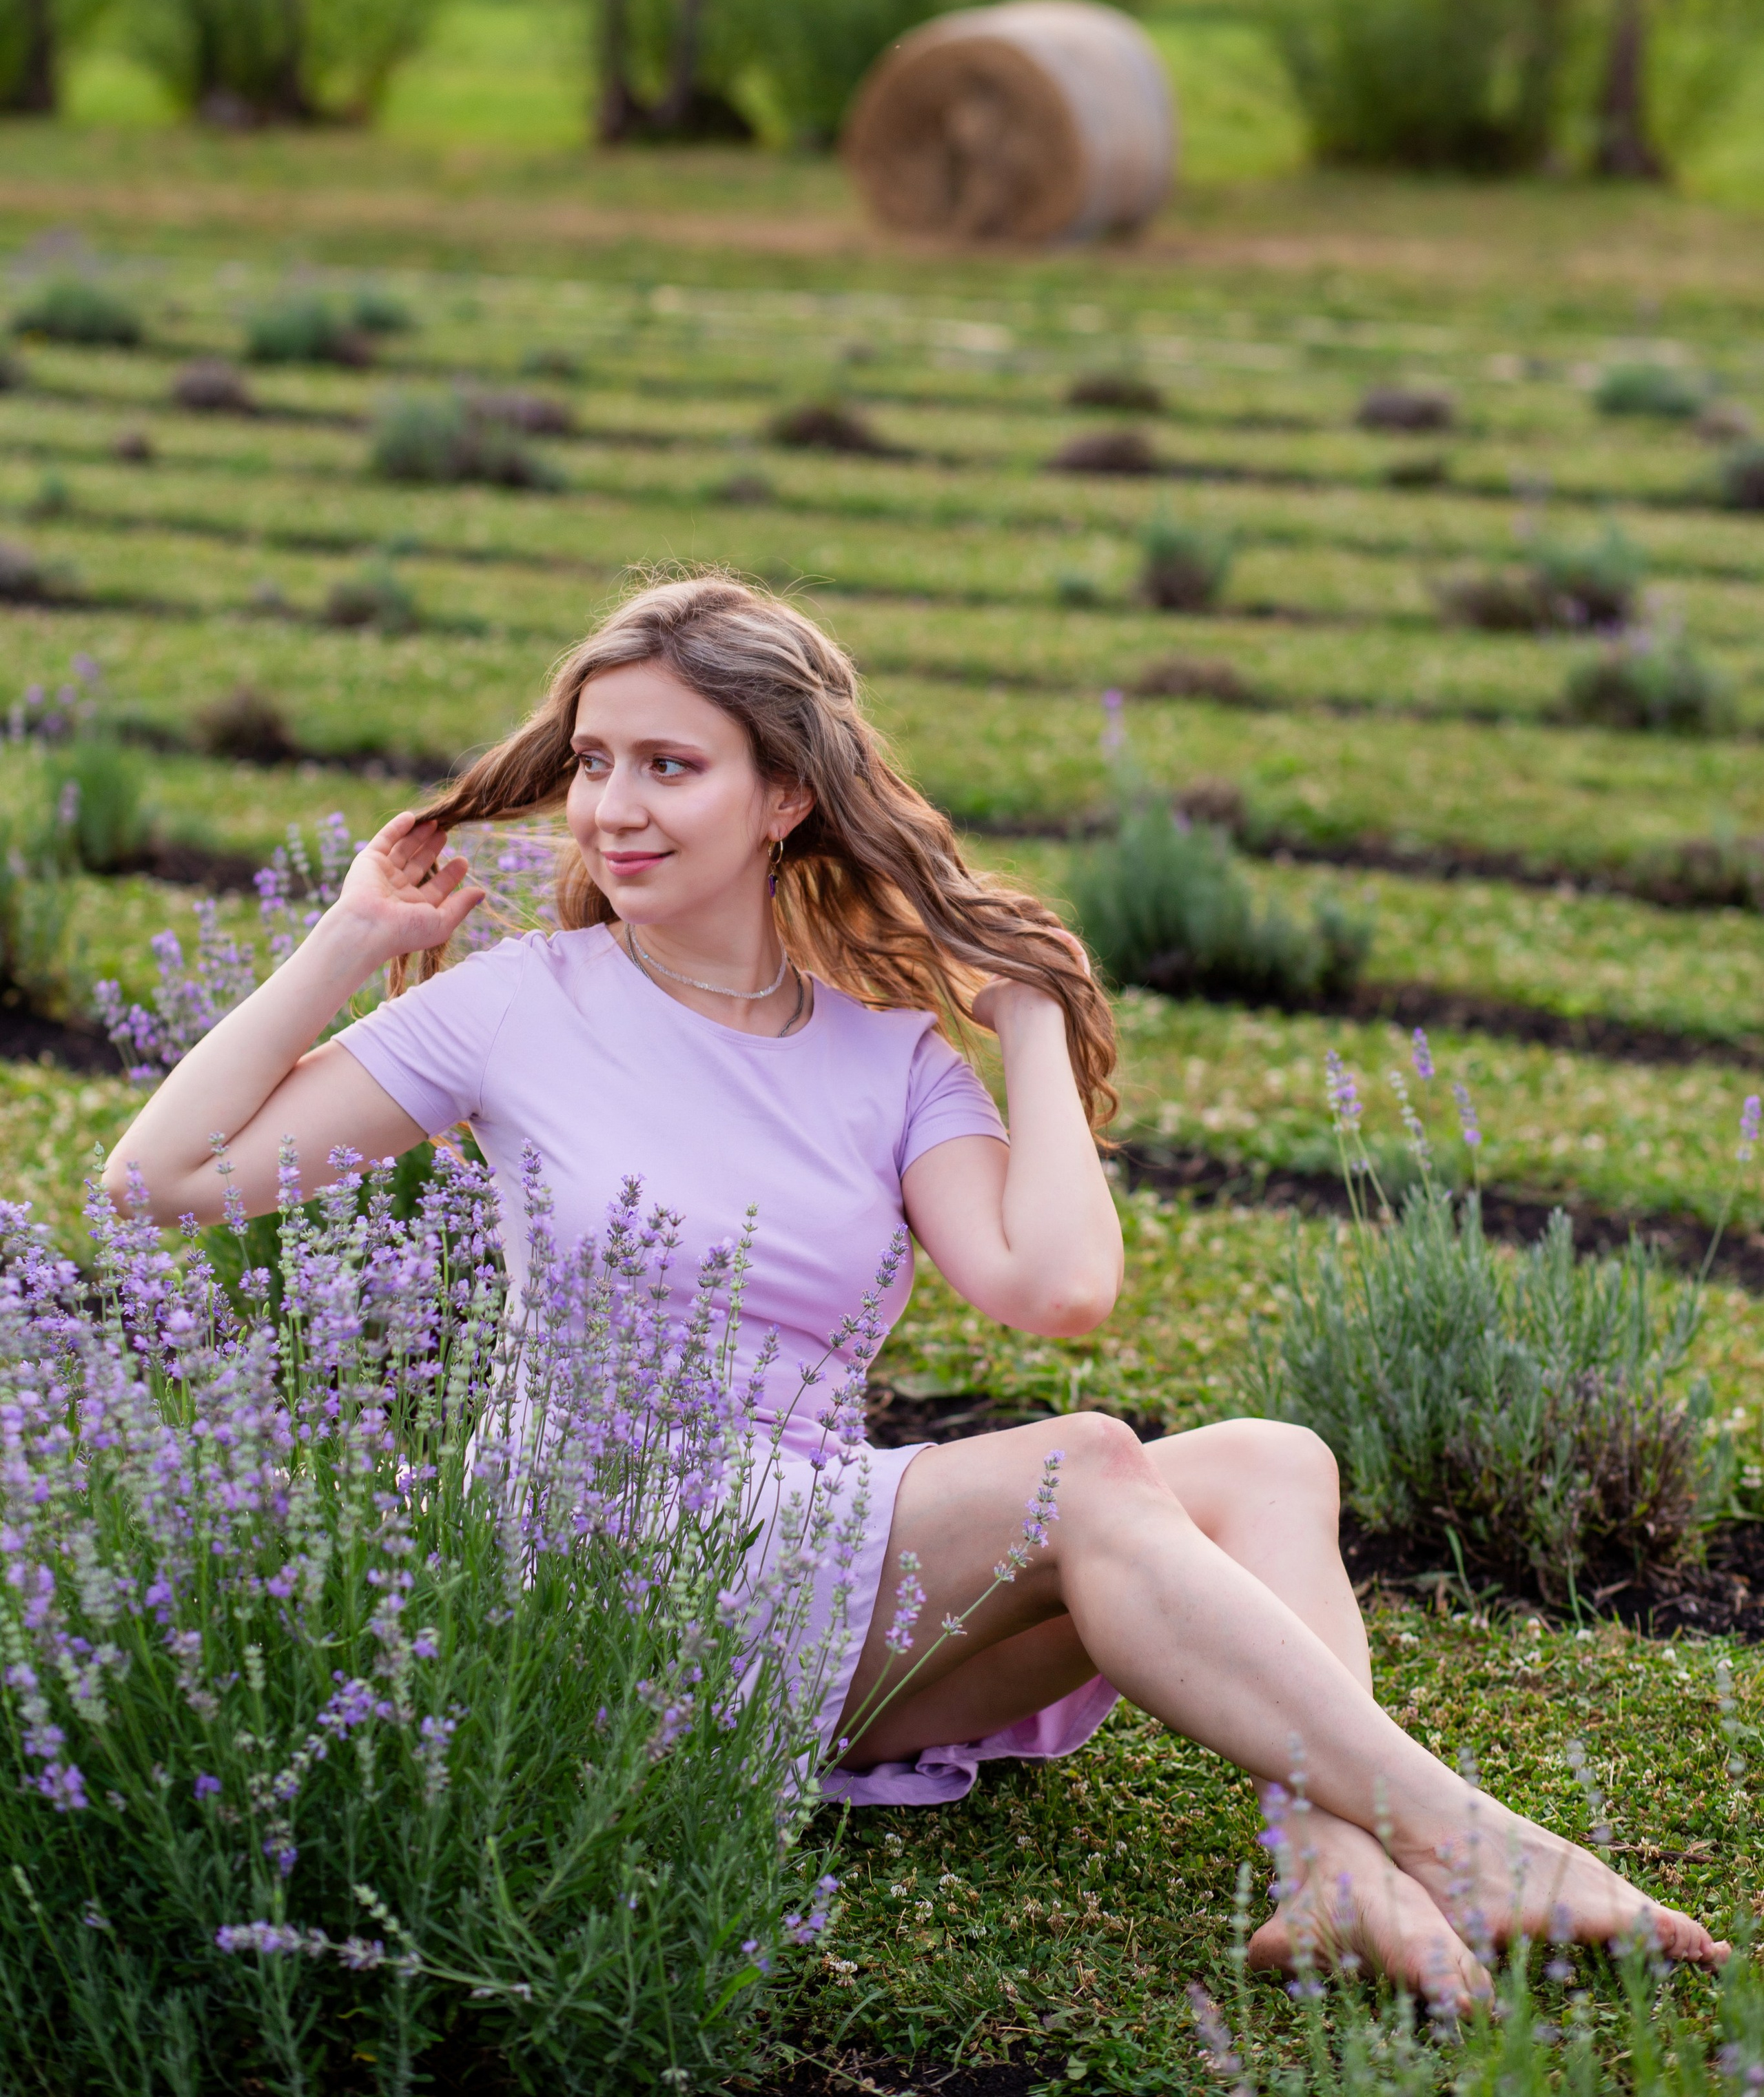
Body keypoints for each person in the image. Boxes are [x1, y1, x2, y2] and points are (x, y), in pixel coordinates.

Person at [107, 573, 1725, 2005]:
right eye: (594, 762)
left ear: (786, 798)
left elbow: (1059, 1287)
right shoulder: (523, 1003)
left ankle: (1331, 1869)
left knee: (1269, 1462)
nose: (609, 807)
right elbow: (160, 1181)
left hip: (815, 1564)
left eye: (668, 765)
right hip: (597, 1575)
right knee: (1083, 1464)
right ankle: (1463, 1837)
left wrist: (1023, 1016)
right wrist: (344, 938)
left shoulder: (888, 1057)